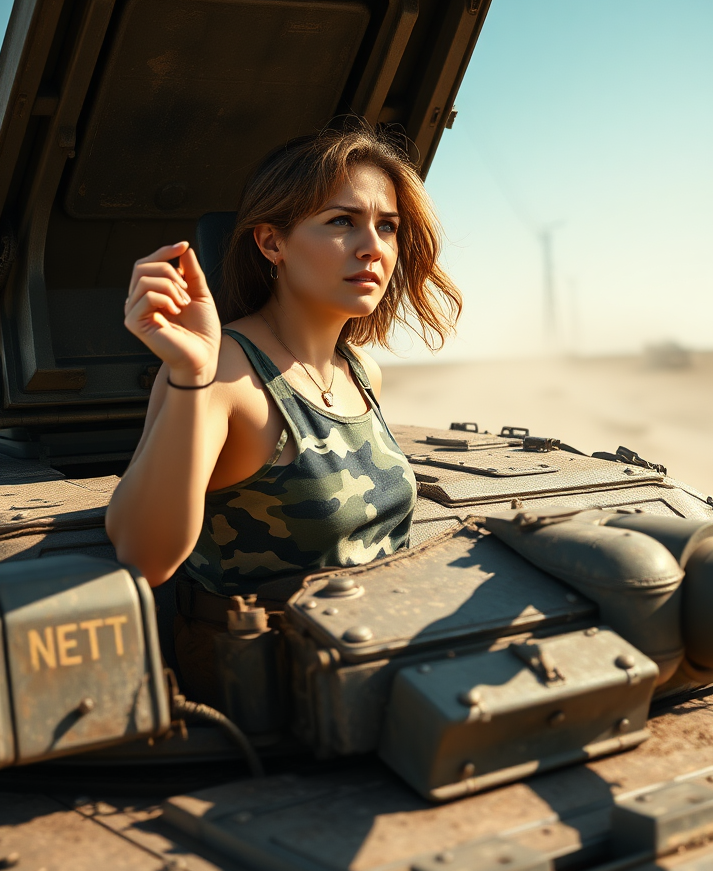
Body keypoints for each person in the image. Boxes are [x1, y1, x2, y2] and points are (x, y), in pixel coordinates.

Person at [106, 123, 460, 616]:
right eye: (342, 221)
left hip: (381, 646)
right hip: (275, 669)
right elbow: (144, 558)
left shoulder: (360, 370)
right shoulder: (225, 374)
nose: (373, 247)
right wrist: (189, 375)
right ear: (273, 242)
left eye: (387, 226)